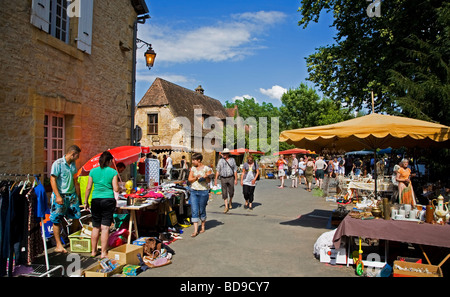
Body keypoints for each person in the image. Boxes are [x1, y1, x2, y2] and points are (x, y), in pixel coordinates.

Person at [84, 151, 119, 258]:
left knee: (95, 227)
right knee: (105, 228)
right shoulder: (113, 172)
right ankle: (103, 252)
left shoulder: (93, 171)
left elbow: (88, 187)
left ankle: (93, 251)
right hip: (108, 200)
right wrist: (121, 188)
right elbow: (116, 188)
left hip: (95, 200)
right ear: (109, 161)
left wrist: (86, 202)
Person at [49, 145, 82, 254]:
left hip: (72, 196)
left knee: (77, 216)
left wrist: (78, 195)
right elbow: (52, 180)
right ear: (73, 154)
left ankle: (72, 238)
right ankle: (59, 245)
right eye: (77, 155)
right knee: (56, 219)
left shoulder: (73, 165)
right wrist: (58, 196)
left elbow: (75, 180)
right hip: (61, 195)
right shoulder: (58, 164)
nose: (78, 158)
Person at [188, 153, 212, 237]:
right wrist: (196, 178)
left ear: (199, 160)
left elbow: (209, 181)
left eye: (194, 160)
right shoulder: (193, 169)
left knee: (202, 209)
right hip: (194, 191)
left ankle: (202, 226)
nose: (192, 161)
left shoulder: (206, 168)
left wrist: (206, 177)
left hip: (203, 191)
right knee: (194, 210)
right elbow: (190, 179)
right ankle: (195, 230)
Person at [214, 148, 238, 213]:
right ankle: (226, 206)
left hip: (231, 177)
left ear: (228, 154)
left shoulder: (232, 160)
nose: (223, 154)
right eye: (223, 153)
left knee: (231, 191)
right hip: (223, 178)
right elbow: (218, 170)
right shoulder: (220, 161)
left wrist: (236, 179)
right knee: (224, 192)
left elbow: (235, 169)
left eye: (225, 153)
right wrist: (215, 179)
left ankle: (230, 201)